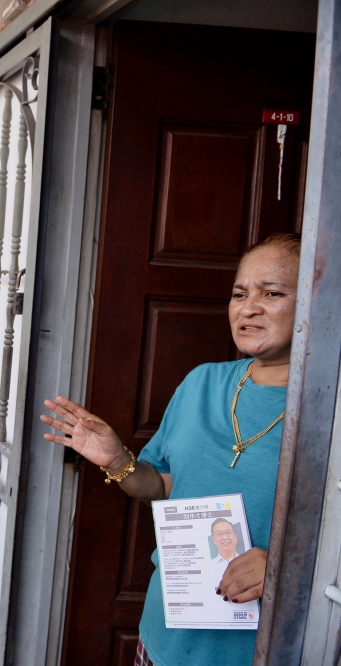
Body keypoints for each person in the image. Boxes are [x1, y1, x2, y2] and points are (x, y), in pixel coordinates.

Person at [41, 232, 299, 666]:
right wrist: (120, 462)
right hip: (164, 640)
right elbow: (162, 485)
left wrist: (286, 569)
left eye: (271, 293)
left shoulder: (329, 410)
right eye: (239, 293)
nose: (248, 307)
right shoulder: (202, 383)